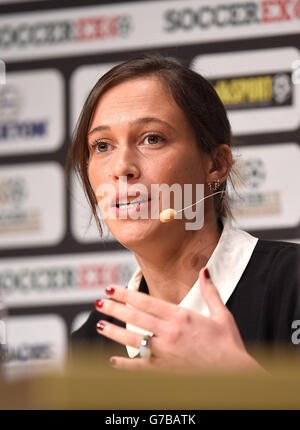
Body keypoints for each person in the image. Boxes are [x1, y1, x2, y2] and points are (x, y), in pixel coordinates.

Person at [68, 54, 300, 373]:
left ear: (216, 165)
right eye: (102, 146)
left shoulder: (293, 284)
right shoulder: (87, 348)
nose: (122, 168)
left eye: (152, 138)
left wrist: (240, 382)